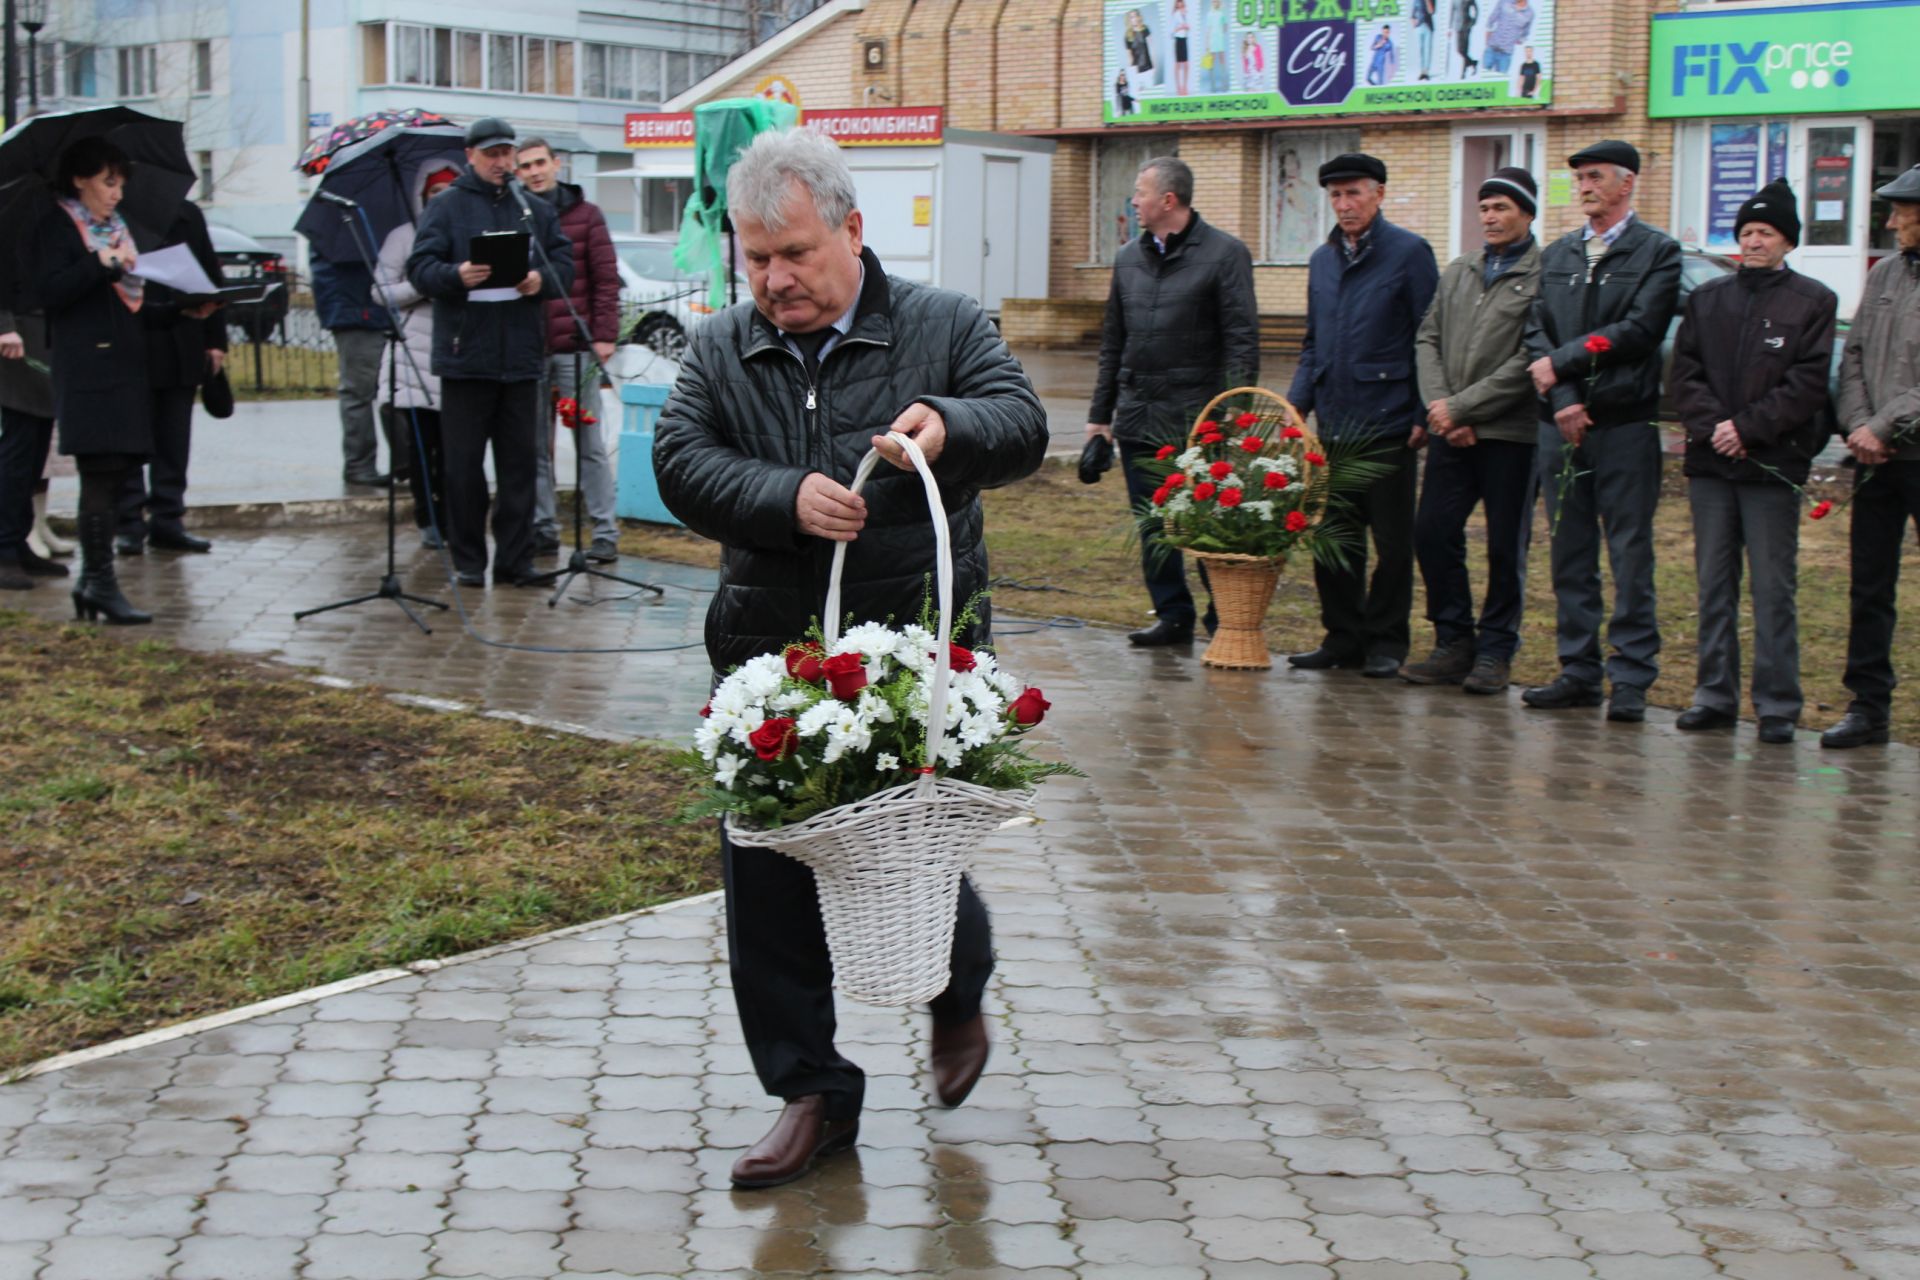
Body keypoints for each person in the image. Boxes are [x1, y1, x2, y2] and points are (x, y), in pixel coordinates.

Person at [653, 127, 1047, 1188]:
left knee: (912, 853)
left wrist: (952, 428)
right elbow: (680, 461)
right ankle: (812, 1091)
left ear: (853, 232)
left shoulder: (945, 323)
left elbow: (1023, 423)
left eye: (795, 254)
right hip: (769, 657)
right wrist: (779, 497)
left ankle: (957, 987)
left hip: (917, 655)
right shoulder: (721, 346)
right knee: (769, 876)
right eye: (756, 258)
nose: (775, 280)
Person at [1669, 180, 1836, 746]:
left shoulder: (1812, 301)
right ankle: (1713, 695)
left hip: (1771, 465)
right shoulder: (1708, 299)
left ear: (1787, 241)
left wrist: (1749, 429)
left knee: (1773, 587)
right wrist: (1716, 427)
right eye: (1745, 232)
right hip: (1712, 466)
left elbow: (1807, 383)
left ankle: (1777, 705)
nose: (1754, 241)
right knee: (1713, 584)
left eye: (1765, 232)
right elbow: (1685, 374)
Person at [1522, 140, 1681, 723]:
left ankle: (1632, 675)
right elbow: (1536, 330)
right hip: (1560, 426)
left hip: (1623, 425)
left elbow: (1640, 329)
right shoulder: (1560, 253)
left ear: (1626, 184)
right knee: (1570, 551)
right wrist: (1563, 398)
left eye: (1595, 177)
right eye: (1579, 179)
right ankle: (1578, 670)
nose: (1584, 187)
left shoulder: (1657, 251)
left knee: (1629, 552)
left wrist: (1564, 365)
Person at [1086, 155, 1259, 648]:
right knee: (1154, 525)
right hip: (1140, 415)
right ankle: (1172, 614)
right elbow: (1112, 343)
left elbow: (1241, 341)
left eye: (1139, 193)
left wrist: (1231, 415)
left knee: (1208, 522)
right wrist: (1100, 417)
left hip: (1200, 419)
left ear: (1168, 199)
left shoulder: (1225, 254)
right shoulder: (1127, 258)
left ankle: (1225, 618)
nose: (1133, 201)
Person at [1286, 153, 1440, 678]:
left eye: (1354, 194)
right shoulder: (1322, 260)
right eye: (1336, 196)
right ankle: (1342, 637)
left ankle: (1387, 640)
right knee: (1335, 540)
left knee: (1393, 544)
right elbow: (1313, 343)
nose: (1345, 205)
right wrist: (1294, 406)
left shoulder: (1409, 253)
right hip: (1334, 423)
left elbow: (1427, 336)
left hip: (1390, 420)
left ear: (1378, 194)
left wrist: (1423, 409)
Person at [406, 117, 573, 589]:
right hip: (465, 358)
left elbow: (563, 262)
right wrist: (456, 275)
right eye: (492, 154)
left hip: (520, 358)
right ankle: (469, 562)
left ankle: (514, 561)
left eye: (507, 154)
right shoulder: (447, 207)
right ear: (471, 156)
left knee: (519, 466)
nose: (501, 162)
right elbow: (420, 269)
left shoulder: (531, 208)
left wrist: (540, 280)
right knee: (463, 469)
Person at [1405, 166, 1542, 695]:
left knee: (1507, 546)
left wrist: (1464, 408)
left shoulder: (1544, 273)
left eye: (1502, 207)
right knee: (1433, 532)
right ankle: (1453, 640)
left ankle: (1496, 650)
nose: (1490, 217)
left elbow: (1531, 357)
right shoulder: (1460, 269)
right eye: (1484, 208)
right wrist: (1443, 408)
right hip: (1450, 430)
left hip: (1510, 434)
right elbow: (1427, 339)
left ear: (1526, 214)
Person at [34, 137, 155, 624]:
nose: (117, 193)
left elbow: (131, 307)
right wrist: (97, 264)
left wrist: (186, 310)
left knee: (120, 471)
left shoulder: (118, 231)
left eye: (121, 183)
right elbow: (51, 293)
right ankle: (100, 582)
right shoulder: (56, 226)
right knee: (100, 474)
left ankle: (91, 584)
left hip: (124, 366)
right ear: (80, 179)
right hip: (87, 369)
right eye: (109, 182)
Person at [1823, 163, 1920, 749]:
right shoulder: (1885, 273)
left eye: (1900, 211)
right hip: (1876, 461)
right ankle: (1868, 705)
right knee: (1869, 585)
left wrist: (1883, 425)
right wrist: (1859, 426)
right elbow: (1853, 354)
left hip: (1909, 450)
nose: (1888, 222)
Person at [516, 138, 623, 565]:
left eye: (540, 162)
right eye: (525, 166)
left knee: (589, 443)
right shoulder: (515, 216)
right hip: (529, 351)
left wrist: (604, 336)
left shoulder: (586, 216)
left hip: (575, 349)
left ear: (557, 164)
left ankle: (603, 530)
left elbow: (605, 279)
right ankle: (543, 527)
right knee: (534, 445)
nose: (534, 171)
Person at [115, 199, 227, 557]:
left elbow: (210, 275)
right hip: (135, 339)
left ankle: (168, 518)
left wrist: (215, 339)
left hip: (183, 339)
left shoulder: (187, 214)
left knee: (174, 437)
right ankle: (129, 521)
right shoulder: (117, 216)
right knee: (132, 438)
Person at [375, 165, 457, 550]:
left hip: (457, 352)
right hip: (413, 355)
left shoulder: (465, 232)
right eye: (434, 189)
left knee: (454, 451)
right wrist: (420, 285)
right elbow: (381, 291)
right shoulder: (402, 237)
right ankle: (428, 518)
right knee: (422, 449)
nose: (441, 196)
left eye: (449, 189)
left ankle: (453, 517)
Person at [0, 296, 67, 590]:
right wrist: (4, 325)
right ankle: (4, 550)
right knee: (17, 451)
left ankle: (17, 541)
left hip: (43, 332)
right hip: (17, 335)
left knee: (35, 450)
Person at [311, 253, 393, 488]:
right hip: (358, 313)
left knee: (398, 391)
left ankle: (407, 462)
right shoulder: (341, 224)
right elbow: (327, 277)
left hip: (384, 311)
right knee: (359, 391)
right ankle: (359, 465)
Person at [1482, 0, 1532, 76]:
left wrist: (1518, 39)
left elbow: (1525, 33)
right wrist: (1487, 42)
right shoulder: (1504, 2)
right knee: (1482, 78)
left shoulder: (1529, 13)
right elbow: (1491, 20)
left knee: (1500, 82)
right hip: (1491, 49)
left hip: (1506, 55)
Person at [1204, 0, 1230, 93]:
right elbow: (1208, 29)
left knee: (1222, 61)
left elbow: (1225, 26)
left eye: (1216, 2)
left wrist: (1221, 32)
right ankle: (1212, 85)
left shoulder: (1222, 13)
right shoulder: (1209, 14)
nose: (1215, 3)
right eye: (1213, 2)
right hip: (1212, 40)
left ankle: (1224, 85)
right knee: (1211, 62)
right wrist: (1207, 43)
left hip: (1220, 40)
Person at [1412, 0, 1437, 80]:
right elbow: (1413, 12)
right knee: (1420, 49)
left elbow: (1432, 11)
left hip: (1428, 25)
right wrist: (1413, 21)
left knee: (1427, 49)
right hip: (1419, 26)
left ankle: (1426, 71)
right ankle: (1421, 71)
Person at [1172, 0, 1191, 95]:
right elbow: (1172, 31)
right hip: (1178, 40)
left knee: (1186, 64)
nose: (1180, 4)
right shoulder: (1175, 14)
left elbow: (1189, 26)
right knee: (1178, 64)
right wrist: (1181, 27)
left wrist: (1185, 26)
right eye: (1178, 2)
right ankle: (1178, 87)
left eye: (1181, 2)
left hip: (1184, 39)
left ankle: (1185, 86)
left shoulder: (1186, 13)